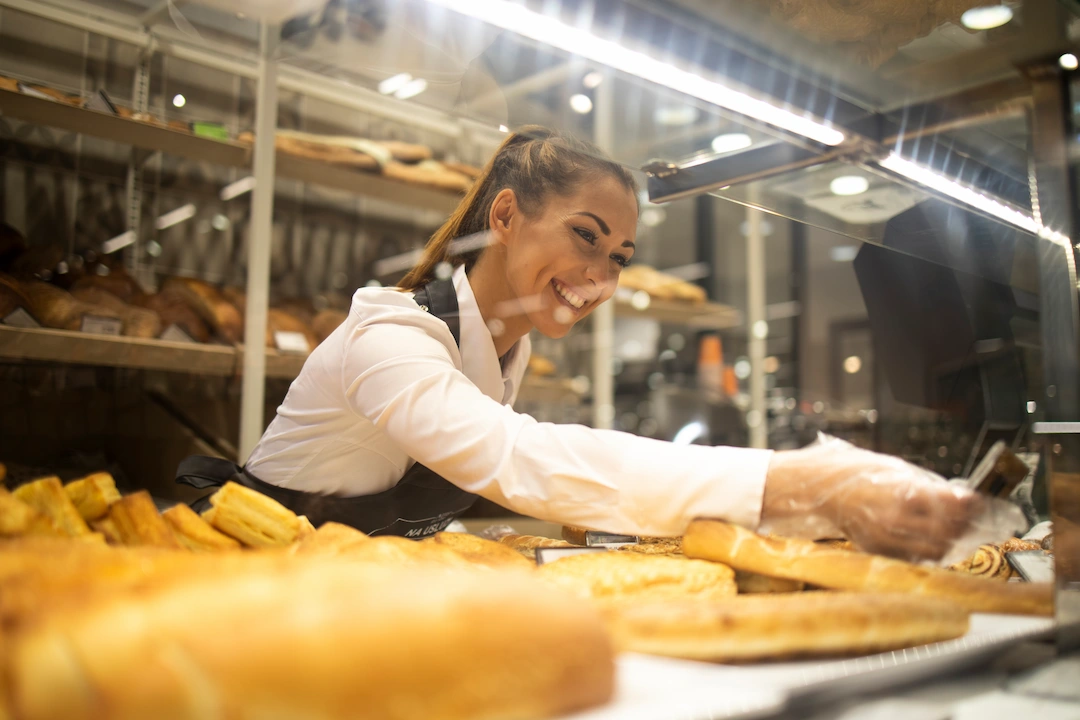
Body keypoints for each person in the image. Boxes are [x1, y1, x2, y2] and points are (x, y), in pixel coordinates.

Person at [177, 126, 980, 560]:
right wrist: (807, 480)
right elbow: (516, 456)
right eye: (586, 237)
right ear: (503, 217)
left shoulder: (506, 347)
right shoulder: (390, 334)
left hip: (346, 582)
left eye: (620, 257)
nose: (601, 274)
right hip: (239, 573)